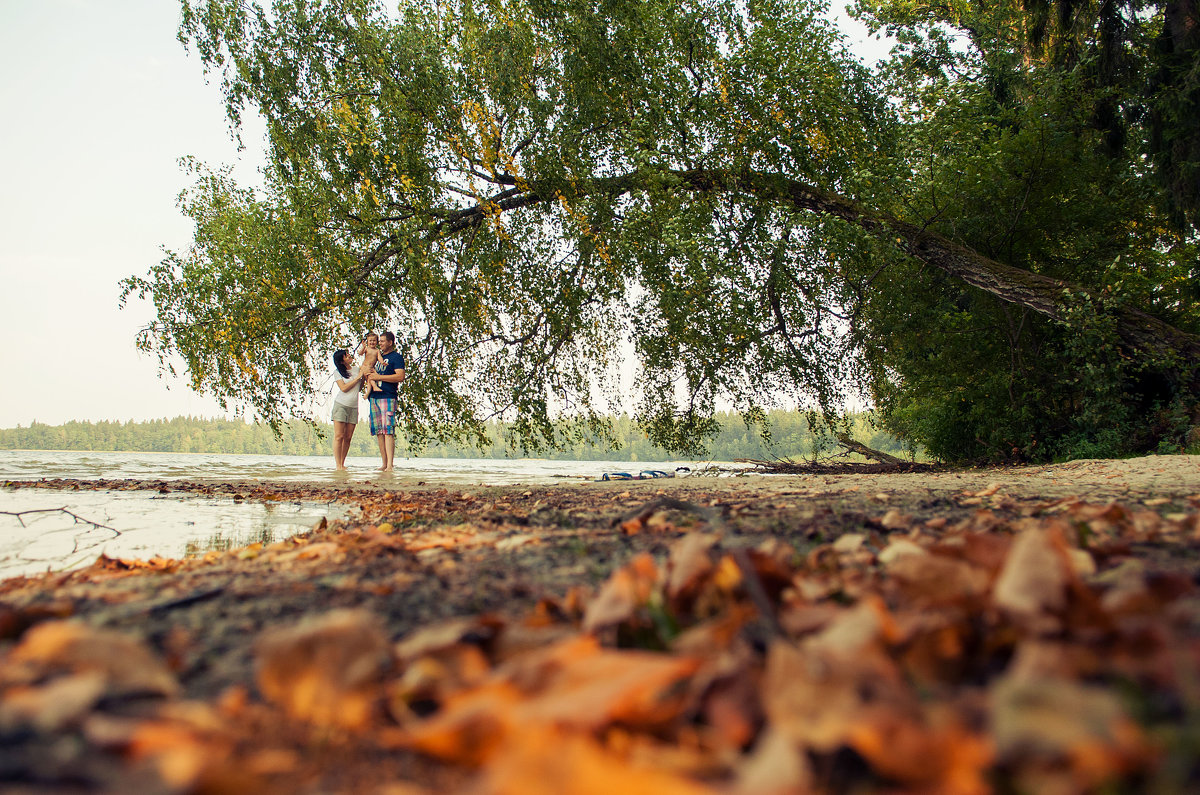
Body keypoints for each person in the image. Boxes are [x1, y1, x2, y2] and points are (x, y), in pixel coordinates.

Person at [365, 330, 406, 471]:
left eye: (382, 341)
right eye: (379, 341)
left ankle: (390, 465)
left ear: (390, 342)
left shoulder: (396, 357)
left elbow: (400, 376)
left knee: (388, 431)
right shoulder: (378, 356)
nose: (379, 343)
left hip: (388, 396)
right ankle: (384, 464)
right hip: (374, 398)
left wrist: (379, 378)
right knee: (379, 432)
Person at [330, 349, 366, 471]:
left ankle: (342, 463)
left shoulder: (356, 370)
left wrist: (363, 379)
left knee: (348, 437)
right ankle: (338, 465)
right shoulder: (338, 372)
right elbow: (344, 388)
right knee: (339, 436)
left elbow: (358, 388)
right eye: (347, 355)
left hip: (353, 407)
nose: (350, 356)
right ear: (342, 360)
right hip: (341, 405)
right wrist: (357, 379)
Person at [356, 332, 381, 397]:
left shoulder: (377, 350)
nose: (372, 342)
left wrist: (383, 362)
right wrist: (363, 347)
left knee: (369, 380)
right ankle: (374, 387)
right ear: (367, 342)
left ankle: (367, 393)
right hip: (365, 367)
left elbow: (379, 358)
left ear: (377, 342)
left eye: (374, 340)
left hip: (371, 368)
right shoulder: (367, 348)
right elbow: (360, 353)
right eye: (370, 340)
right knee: (370, 378)